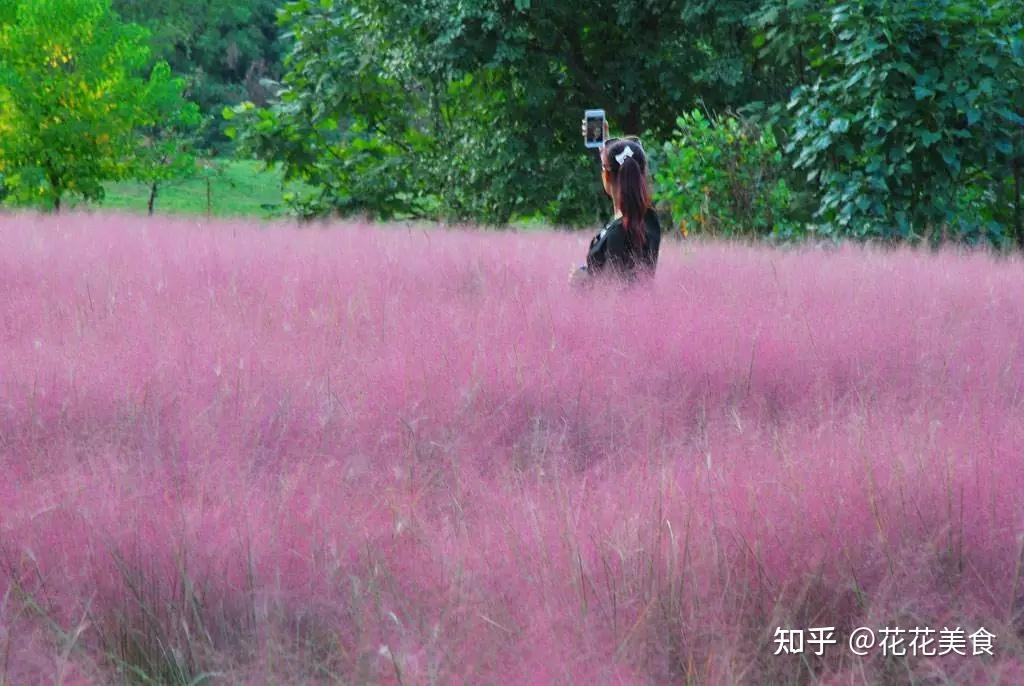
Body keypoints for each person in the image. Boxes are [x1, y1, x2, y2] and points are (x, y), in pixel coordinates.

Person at [570, 121, 661, 286]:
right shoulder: (650, 221)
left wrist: (583, 280)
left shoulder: (618, 232)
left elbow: (615, 294)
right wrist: (605, 148)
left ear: (605, 177)